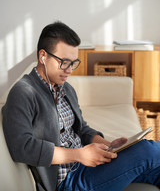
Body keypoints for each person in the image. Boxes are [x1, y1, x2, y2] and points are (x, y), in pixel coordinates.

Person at [2, 21, 160, 191]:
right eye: (64, 62)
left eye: (73, 63)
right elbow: (22, 147)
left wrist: (109, 147)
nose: (70, 70)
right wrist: (79, 155)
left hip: (87, 166)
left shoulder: (66, 89)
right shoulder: (23, 92)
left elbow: (82, 129)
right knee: (147, 150)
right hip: (68, 181)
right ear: (43, 56)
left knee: (155, 169)